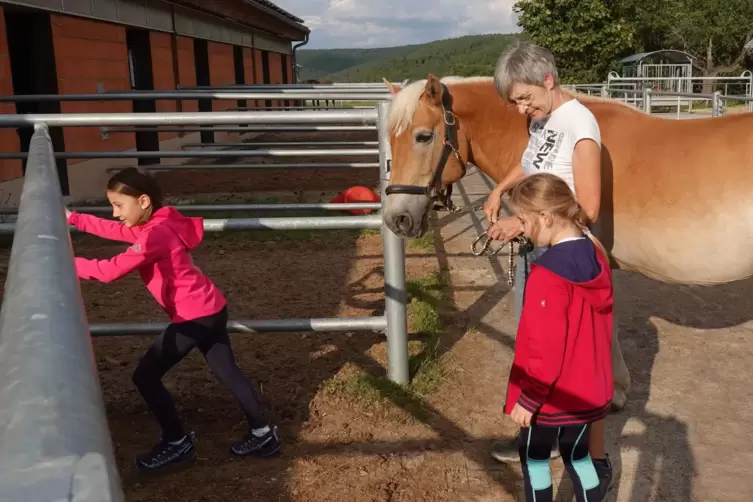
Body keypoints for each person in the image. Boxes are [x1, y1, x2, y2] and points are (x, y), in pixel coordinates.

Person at [67, 167, 280, 472]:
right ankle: (263, 434)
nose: (114, 214)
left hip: (193, 318)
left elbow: (110, 270)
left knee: (145, 377)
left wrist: (68, 262)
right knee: (227, 371)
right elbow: (117, 231)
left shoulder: (155, 234)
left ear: (142, 201)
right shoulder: (162, 221)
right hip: (212, 307)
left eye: (118, 205)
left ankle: (176, 442)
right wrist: (73, 218)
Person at [482, 41, 614, 497]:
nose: (521, 108)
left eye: (524, 97)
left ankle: (545, 433)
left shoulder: (580, 125)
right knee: (537, 337)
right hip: (540, 238)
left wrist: (525, 221)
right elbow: (531, 162)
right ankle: (543, 430)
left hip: (552, 246)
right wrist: (501, 189)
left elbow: (590, 206)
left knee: (547, 342)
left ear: (548, 81)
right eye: (514, 101)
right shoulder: (544, 120)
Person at [504, 172, 613, 502]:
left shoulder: (548, 275)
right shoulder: (595, 255)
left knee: (535, 459)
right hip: (588, 388)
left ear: (545, 217)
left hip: (553, 393)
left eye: (523, 220)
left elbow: (546, 347)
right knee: (578, 456)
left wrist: (529, 398)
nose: (520, 228)